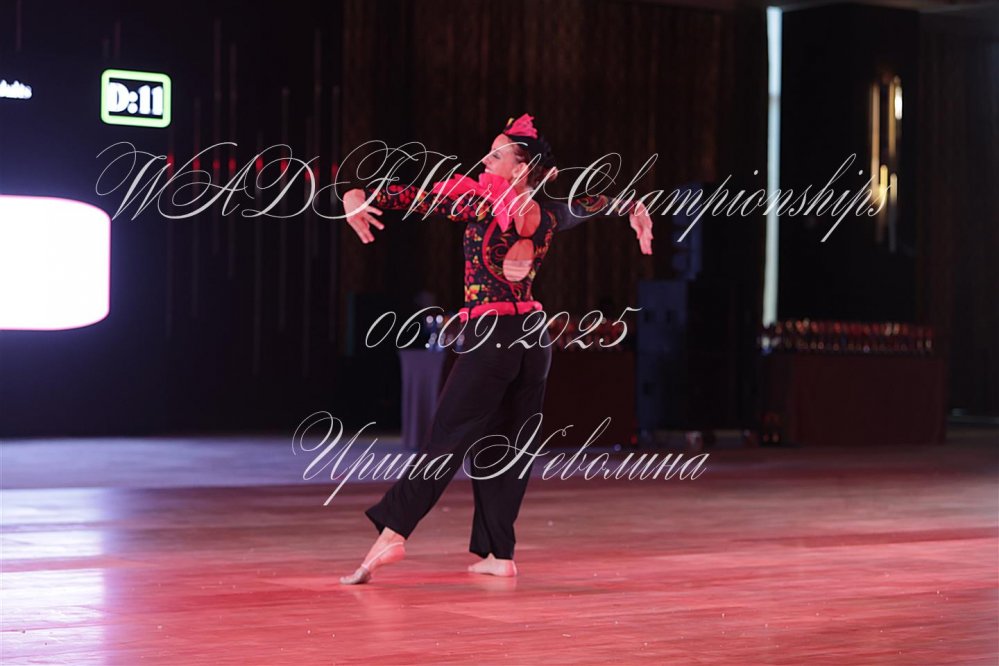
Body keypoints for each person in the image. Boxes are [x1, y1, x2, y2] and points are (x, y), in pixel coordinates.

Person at [338, 114, 653, 584]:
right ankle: (499, 553)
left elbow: (411, 196)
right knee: (507, 447)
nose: (486, 160)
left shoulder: (478, 201)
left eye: (497, 154)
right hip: (534, 340)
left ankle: (392, 533)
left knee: (447, 437)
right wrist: (633, 206)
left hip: (492, 337)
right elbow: (592, 204)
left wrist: (356, 195)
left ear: (520, 167)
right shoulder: (549, 212)